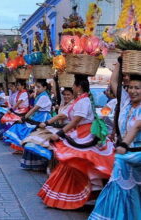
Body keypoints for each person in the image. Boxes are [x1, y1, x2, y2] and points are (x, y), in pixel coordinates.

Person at [38, 75, 115, 210]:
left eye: (74, 85)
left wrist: (60, 134)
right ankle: (82, 194)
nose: (72, 87)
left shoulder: (88, 101)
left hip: (85, 135)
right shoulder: (81, 100)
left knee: (78, 162)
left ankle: (86, 194)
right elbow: (67, 116)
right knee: (73, 163)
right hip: (80, 133)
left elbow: (77, 120)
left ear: (78, 87)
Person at [89, 63, 141, 220]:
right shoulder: (125, 102)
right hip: (124, 158)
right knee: (117, 189)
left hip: (136, 156)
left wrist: (124, 144)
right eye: (130, 87)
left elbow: (137, 125)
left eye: (137, 88)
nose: (132, 91)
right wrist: (119, 62)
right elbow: (114, 83)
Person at [21, 88, 74, 171]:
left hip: (67, 130)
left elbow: (60, 116)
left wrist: (46, 123)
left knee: (47, 139)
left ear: (73, 96)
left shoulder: (72, 105)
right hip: (57, 126)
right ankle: (42, 163)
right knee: (34, 135)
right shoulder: (63, 104)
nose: (66, 96)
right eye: (65, 95)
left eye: (68, 95)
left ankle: (51, 165)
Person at [3, 79, 52, 151]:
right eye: (36, 87)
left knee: (31, 131)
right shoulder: (41, 95)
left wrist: (24, 118)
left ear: (44, 88)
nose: (37, 89)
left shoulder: (43, 96)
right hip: (37, 115)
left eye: (39, 87)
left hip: (42, 117)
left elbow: (34, 109)